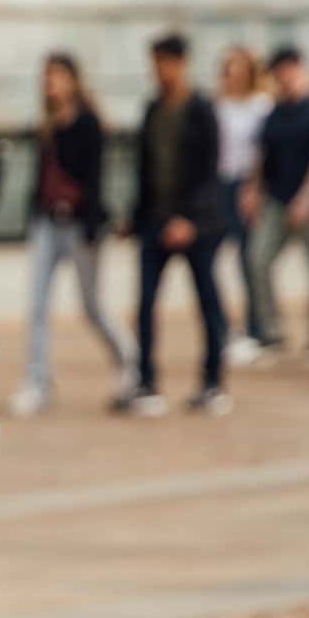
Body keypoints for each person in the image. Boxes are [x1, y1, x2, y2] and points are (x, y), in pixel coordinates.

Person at [9, 50, 133, 415]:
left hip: (80, 226)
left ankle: (131, 362)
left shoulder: (88, 123)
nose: (50, 83)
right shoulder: (47, 125)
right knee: (37, 305)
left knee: (92, 307)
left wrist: (92, 228)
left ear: (73, 81)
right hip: (47, 222)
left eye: (57, 75)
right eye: (47, 76)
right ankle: (38, 382)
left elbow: (95, 180)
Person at [124, 32, 230, 416]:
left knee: (207, 302)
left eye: (164, 63)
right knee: (145, 304)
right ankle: (147, 382)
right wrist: (136, 217)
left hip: (196, 225)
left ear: (181, 63)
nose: (158, 71)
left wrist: (191, 220)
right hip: (156, 221)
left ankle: (213, 382)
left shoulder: (201, 109)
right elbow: (145, 169)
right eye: (155, 64)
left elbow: (209, 171)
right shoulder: (153, 109)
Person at [244, 45, 309, 360]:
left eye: (284, 71)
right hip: (277, 200)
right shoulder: (276, 112)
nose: (281, 79)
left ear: (298, 68)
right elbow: (262, 154)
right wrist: (253, 189)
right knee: (258, 260)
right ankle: (272, 332)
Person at [214, 46, 271, 362]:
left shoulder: (261, 105)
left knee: (248, 257)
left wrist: (254, 187)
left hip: (246, 184)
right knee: (211, 258)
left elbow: (264, 150)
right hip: (220, 184)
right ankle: (223, 326)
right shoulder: (219, 105)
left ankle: (256, 327)